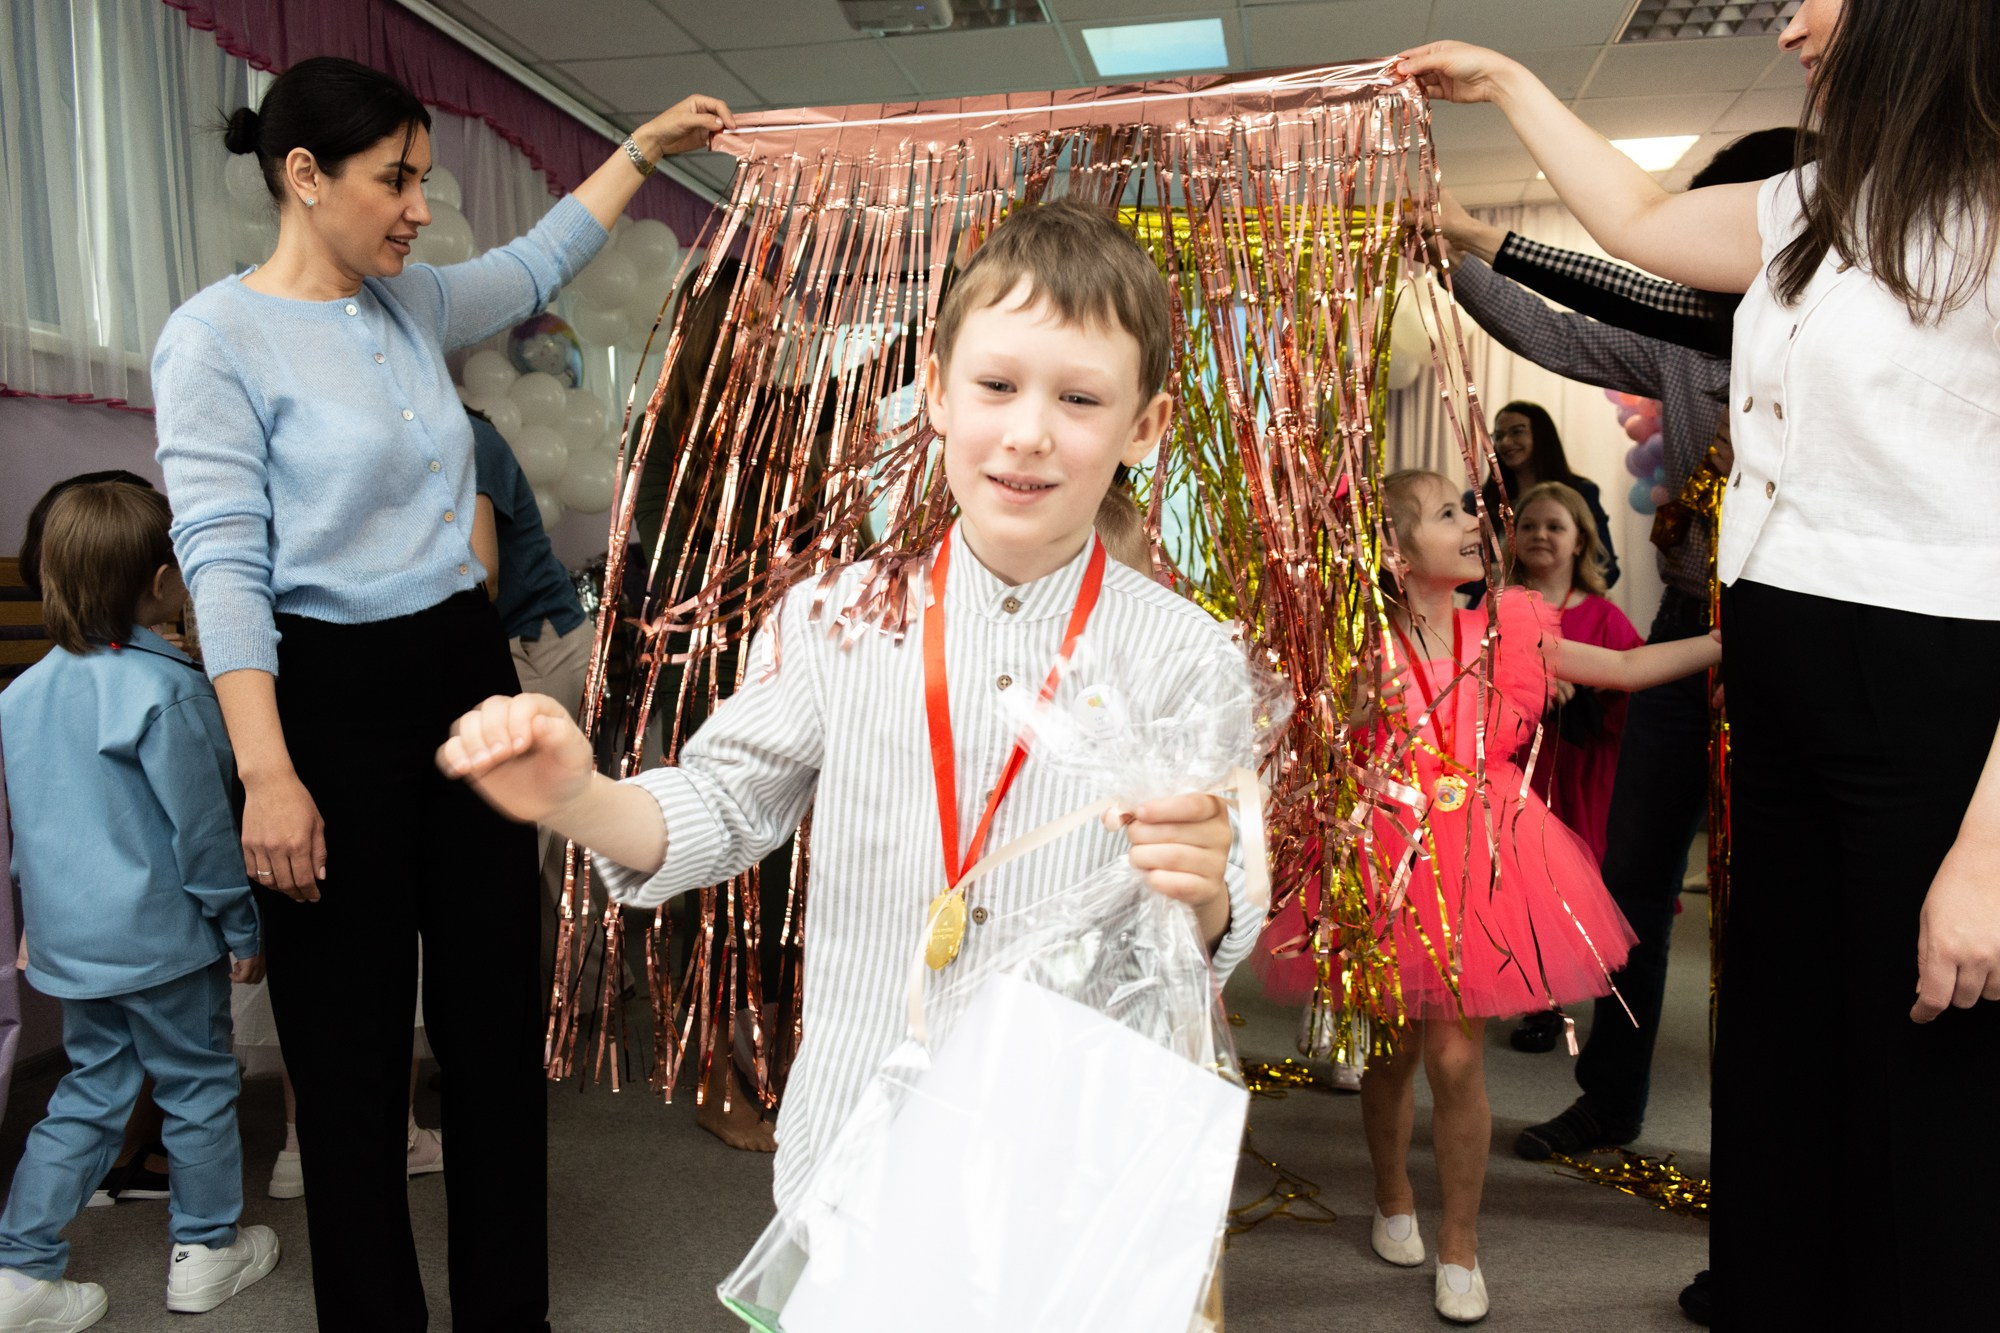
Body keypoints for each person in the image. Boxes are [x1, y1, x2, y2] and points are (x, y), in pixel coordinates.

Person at [435, 201, 1268, 1226]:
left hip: (1068, 1161)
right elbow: (723, 804)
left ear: (1143, 425)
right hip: (856, 1138)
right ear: (935, 392)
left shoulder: (1190, 653)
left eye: (1081, 397)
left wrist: (1207, 890)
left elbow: (1225, 892)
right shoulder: (834, 618)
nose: (1028, 431)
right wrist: (578, 797)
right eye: (996, 385)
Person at [1400, 4, 2000, 1325]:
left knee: (1923, 1087)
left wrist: (1990, 850)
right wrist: (1504, 82)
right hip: (1780, 668)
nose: (1790, 24)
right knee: (1783, 1060)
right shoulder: (1822, 204)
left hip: (1927, 689)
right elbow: (1636, 235)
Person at [149, 54, 731, 1331]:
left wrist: (636, 149)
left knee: (490, 1031)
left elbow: (530, 265)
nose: (418, 206)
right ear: (305, 178)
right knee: (350, 1066)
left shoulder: (404, 302)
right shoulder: (216, 338)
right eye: (394, 179)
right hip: (323, 704)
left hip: (463, 682)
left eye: (423, 178)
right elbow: (225, 568)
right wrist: (267, 772)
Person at [1359, 469, 1717, 1323]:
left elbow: (1627, 667)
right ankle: (1390, 1193)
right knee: (1391, 1053)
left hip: (1483, 859)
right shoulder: (1361, 647)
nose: (1475, 523)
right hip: (1387, 858)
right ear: (1395, 551)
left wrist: (1724, 641)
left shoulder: (1509, 630)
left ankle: (1460, 1243)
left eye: (1470, 509)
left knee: (1454, 1056)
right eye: (1449, 513)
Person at [0, 481, 279, 1331]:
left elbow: (31, 835)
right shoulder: (173, 692)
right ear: (165, 581)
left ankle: (19, 1268)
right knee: (197, 1087)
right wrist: (241, 925)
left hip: (69, 946)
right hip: (162, 944)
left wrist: (29, 936)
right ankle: (203, 1251)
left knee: (88, 1091)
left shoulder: (17, 697)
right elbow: (202, 836)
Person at [1502, 482, 1643, 1052]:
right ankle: (1539, 1000)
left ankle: (1573, 986)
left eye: (1554, 526)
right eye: (1529, 524)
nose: (1540, 535)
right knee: (1522, 882)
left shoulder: (1605, 620)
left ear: (1581, 539)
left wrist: (1578, 690)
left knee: (1574, 883)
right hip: (1518, 774)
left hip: (1581, 773)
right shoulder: (1496, 608)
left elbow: (1632, 704)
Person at [1475, 401, 1618, 591]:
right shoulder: (1480, 501)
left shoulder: (1581, 493)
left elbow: (1605, 568)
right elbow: (1461, 573)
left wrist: (1554, 589)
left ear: (1542, 436)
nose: (1505, 442)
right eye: (1498, 436)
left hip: (1564, 611)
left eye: (1517, 432)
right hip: (1494, 613)